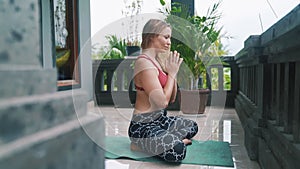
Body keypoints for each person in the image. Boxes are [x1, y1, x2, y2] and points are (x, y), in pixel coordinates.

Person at [128, 19, 198, 163]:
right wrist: (171, 74)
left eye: (169, 38)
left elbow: (172, 98)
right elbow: (162, 102)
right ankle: (140, 144)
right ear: (152, 36)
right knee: (178, 151)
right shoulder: (144, 64)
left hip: (160, 120)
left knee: (192, 126)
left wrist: (172, 73)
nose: (169, 42)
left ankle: (161, 140)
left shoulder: (157, 63)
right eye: (166, 37)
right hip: (142, 126)